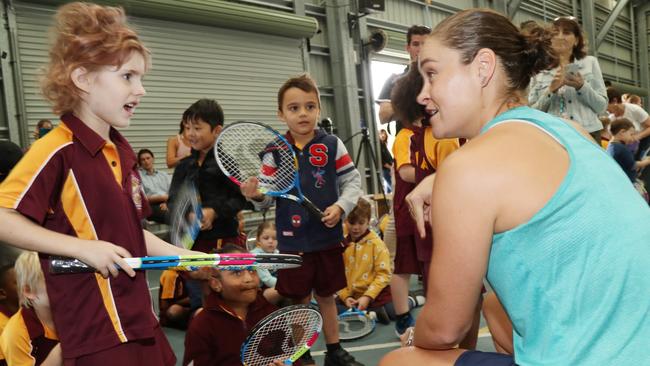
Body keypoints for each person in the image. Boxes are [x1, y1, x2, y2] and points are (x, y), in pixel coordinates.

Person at [380, 8, 650, 366]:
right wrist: (440, 178)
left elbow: (445, 329)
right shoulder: (571, 131)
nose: (422, 95)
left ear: (482, 68)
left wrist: (414, 341)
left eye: (431, 74)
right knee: (494, 306)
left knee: (400, 361)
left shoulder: (470, 168)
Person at [0, 3, 199, 364]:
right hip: (97, 338)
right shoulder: (56, 150)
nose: (141, 90)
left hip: (142, 323)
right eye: (127, 76)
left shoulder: (121, 154)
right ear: (82, 78)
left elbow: (132, 236)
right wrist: (83, 249)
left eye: (141, 78)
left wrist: (189, 257)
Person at [241, 74, 364, 366]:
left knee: (327, 296)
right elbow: (268, 196)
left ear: (319, 109)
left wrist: (341, 206)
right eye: (294, 108)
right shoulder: (274, 152)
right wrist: (256, 195)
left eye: (310, 106)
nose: (303, 113)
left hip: (327, 238)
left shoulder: (332, 144)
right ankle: (301, 352)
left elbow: (353, 181)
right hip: (292, 242)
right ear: (281, 113)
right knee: (299, 300)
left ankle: (335, 351)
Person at [168, 98, 248, 314]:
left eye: (197, 128)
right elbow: (173, 200)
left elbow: (239, 199)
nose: (190, 133)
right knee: (204, 294)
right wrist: (188, 215)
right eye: (187, 128)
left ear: (217, 130)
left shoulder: (227, 163)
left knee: (230, 292)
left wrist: (215, 211)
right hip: (194, 242)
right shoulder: (184, 166)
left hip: (225, 238)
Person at [182, 244, 278, 366]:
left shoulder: (272, 314)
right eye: (237, 272)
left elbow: (290, 356)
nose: (249, 278)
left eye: (251, 270)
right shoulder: (202, 326)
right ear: (216, 283)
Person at [529, 16, 608, 142]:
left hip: (587, 134)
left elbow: (602, 107)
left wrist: (582, 87)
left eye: (566, 32)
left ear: (576, 40)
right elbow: (532, 112)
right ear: (549, 39)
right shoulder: (538, 69)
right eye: (555, 33)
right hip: (553, 136)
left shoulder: (590, 63)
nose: (560, 36)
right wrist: (551, 90)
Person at [337, 198, 393, 324]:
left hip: (375, 294)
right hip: (351, 296)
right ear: (345, 221)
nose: (356, 227)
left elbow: (384, 275)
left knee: (393, 310)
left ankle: (412, 300)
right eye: (352, 222)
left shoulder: (376, 244)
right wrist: (346, 297)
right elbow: (336, 274)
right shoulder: (341, 244)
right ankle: (370, 315)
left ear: (368, 222)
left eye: (361, 223)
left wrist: (367, 296)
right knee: (329, 309)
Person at [0, 251, 61, 366]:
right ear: (29, 291)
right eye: (52, 282)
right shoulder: (16, 333)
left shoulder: (76, 306)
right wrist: (63, 350)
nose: (65, 287)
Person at [377, 25, 432, 128]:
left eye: (425, 44)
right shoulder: (394, 80)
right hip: (408, 140)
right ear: (408, 48)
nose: (420, 49)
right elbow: (383, 116)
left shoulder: (441, 77)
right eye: (416, 44)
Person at [607, 87, 650, 159]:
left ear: (615, 101)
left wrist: (637, 136)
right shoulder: (611, 118)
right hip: (627, 145)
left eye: (605, 105)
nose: (605, 109)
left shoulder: (634, 109)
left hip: (644, 140)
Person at [249, 221, 283, 304]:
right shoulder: (255, 256)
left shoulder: (277, 253)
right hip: (259, 290)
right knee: (286, 290)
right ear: (258, 240)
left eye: (274, 238)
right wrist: (286, 285)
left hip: (274, 284)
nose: (270, 241)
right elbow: (266, 279)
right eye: (266, 238)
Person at [606, 118, 650, 182]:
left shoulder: (611, 145)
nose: (632, 138)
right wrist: (646, 162)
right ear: (622, 132)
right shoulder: (622, 148)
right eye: (631, 134)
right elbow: (633, 165)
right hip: (627, 181)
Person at [138, 148, 172, 224]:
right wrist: (162, 198)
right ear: (140, 163)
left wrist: (168, 203)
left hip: (167, 202)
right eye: (143, 160)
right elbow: (142, 199)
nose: (146, 161)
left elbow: (173, 191)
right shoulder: (138, 177)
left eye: (148, 158)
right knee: (172, 217)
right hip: (150, 206)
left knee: (186, 213)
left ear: (153, 159)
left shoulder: (163, 175)